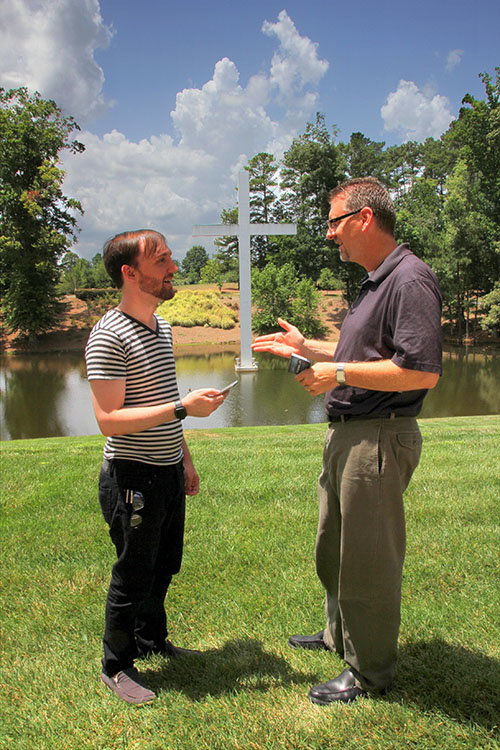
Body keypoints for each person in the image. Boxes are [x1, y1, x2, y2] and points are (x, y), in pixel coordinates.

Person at [252, 177, 442, 705]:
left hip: (378, 438)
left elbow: (419, 372)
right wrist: (309, 348)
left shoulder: (409, 279)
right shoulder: (376, 280)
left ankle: (369, 672)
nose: (329, 234)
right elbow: (360, 351)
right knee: (333, 548)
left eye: (335, 221)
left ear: (363, 218)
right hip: (349, 435)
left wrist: (334, 373)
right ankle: (339, 635)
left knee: (368, 560)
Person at [85, 229, 227, 705]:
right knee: (133, 572)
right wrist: (182, 410)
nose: (174, 267)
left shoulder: (162, 328)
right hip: (132, 476)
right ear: (130, 273)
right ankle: (116, 664)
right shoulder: (108, 334)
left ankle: (150, 640)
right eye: (162, 260)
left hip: (166, 469)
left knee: (164, 564)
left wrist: (184, 457)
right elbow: (109, 420)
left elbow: (164, 401)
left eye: (170, 257)